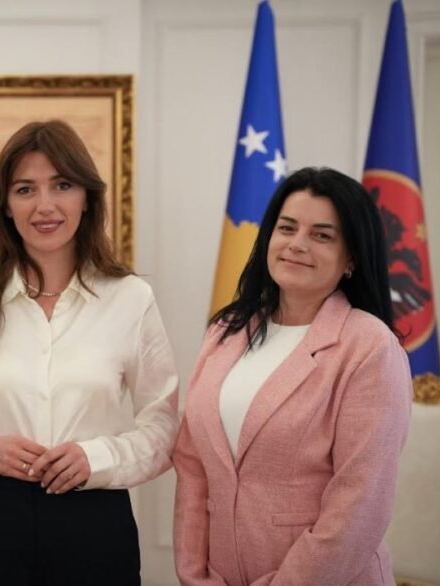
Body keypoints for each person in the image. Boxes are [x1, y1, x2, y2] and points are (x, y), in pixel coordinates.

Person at [0, 119, 179, 586]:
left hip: (95, 526)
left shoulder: (130, 298)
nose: (45, 205)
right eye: (25, 189)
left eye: (62, 185)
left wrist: (97, 457)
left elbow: (163, 427)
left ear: (86, 198)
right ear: (6, 205)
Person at [173, 167, 412, 585]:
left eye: (321, 235)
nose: (297, 244)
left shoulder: (369, 346)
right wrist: (194, 575)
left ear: (351, 258)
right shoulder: (226, 330)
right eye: (287, 228)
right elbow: (193, 466)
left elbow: (359, 502)